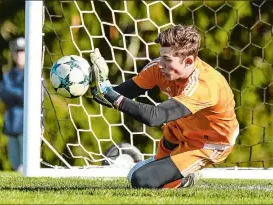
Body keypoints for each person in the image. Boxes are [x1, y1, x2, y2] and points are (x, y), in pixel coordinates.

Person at [89, 25, 239, 189]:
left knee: (141, 180)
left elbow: (155, 116)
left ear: (188, 61)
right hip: (178, 130)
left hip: (209, 144)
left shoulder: (205, 85)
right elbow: (120, 94)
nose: (160, 64)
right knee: (136, 175)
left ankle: (187, 177)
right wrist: (94, 85)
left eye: (167, 60)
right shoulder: (159, 69)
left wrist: (109, 93)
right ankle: (177, 169)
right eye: (161, 57)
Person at [0, 37, 26, 173]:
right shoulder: (9, 75)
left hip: (26, 126)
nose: (20, 55)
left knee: (25, 164)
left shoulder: (34, 74)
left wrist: (14, 92)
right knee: (15, 163)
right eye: (18, 51)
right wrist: (19, 93)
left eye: (23, 51)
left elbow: (29, 96)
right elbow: (3, 93)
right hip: (11, 124)